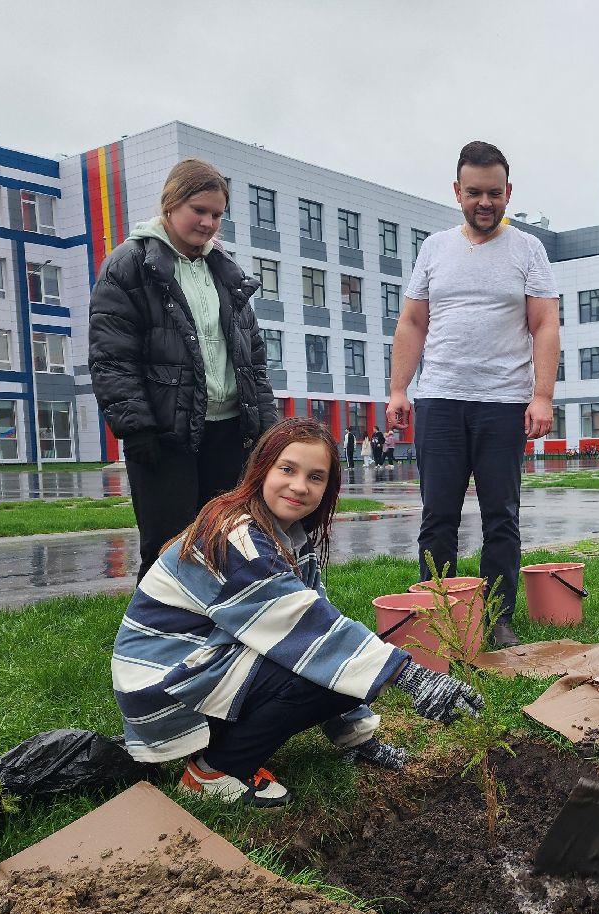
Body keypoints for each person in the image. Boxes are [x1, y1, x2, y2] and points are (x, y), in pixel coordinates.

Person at [110, 417, 484, 806]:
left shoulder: (284, 535)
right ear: (261, 469)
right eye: (287, 469)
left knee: (332, 659)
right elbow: (310, 635)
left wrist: (358, 738)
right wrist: (411, 676)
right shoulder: (239, 538)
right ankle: (214, 771)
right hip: (161, 682)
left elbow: (319, 625)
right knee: (319, 664)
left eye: (315, 477)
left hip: (195, 665)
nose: (300, 486)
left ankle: (230, 745)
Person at [388, 141, 561, 647]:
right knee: (437, 515)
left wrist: (542, 396)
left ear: (508, 192)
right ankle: (438, 614)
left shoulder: (528, 250)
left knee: (500, 516)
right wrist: (398, 389)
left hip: (503, 402)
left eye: (494, 193)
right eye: (474, 193)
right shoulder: (434, 249)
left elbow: (545, 324)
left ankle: (498, 617)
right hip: (440, 400)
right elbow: (412, 322)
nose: (484, 202)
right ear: (457, 192)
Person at [89, 158, 278, 580]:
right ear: (170, 204)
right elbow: (112, 355)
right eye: (199, 210)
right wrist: (136, 428)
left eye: (217, 214)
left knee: (227, 544)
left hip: (230, 432)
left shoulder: (224, 270)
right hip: (164, 434)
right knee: (168, 550)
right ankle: (157, 624)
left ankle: (219, 620)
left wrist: (267, 429)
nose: (209, 223)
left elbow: (254, 359)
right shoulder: (128, 265)